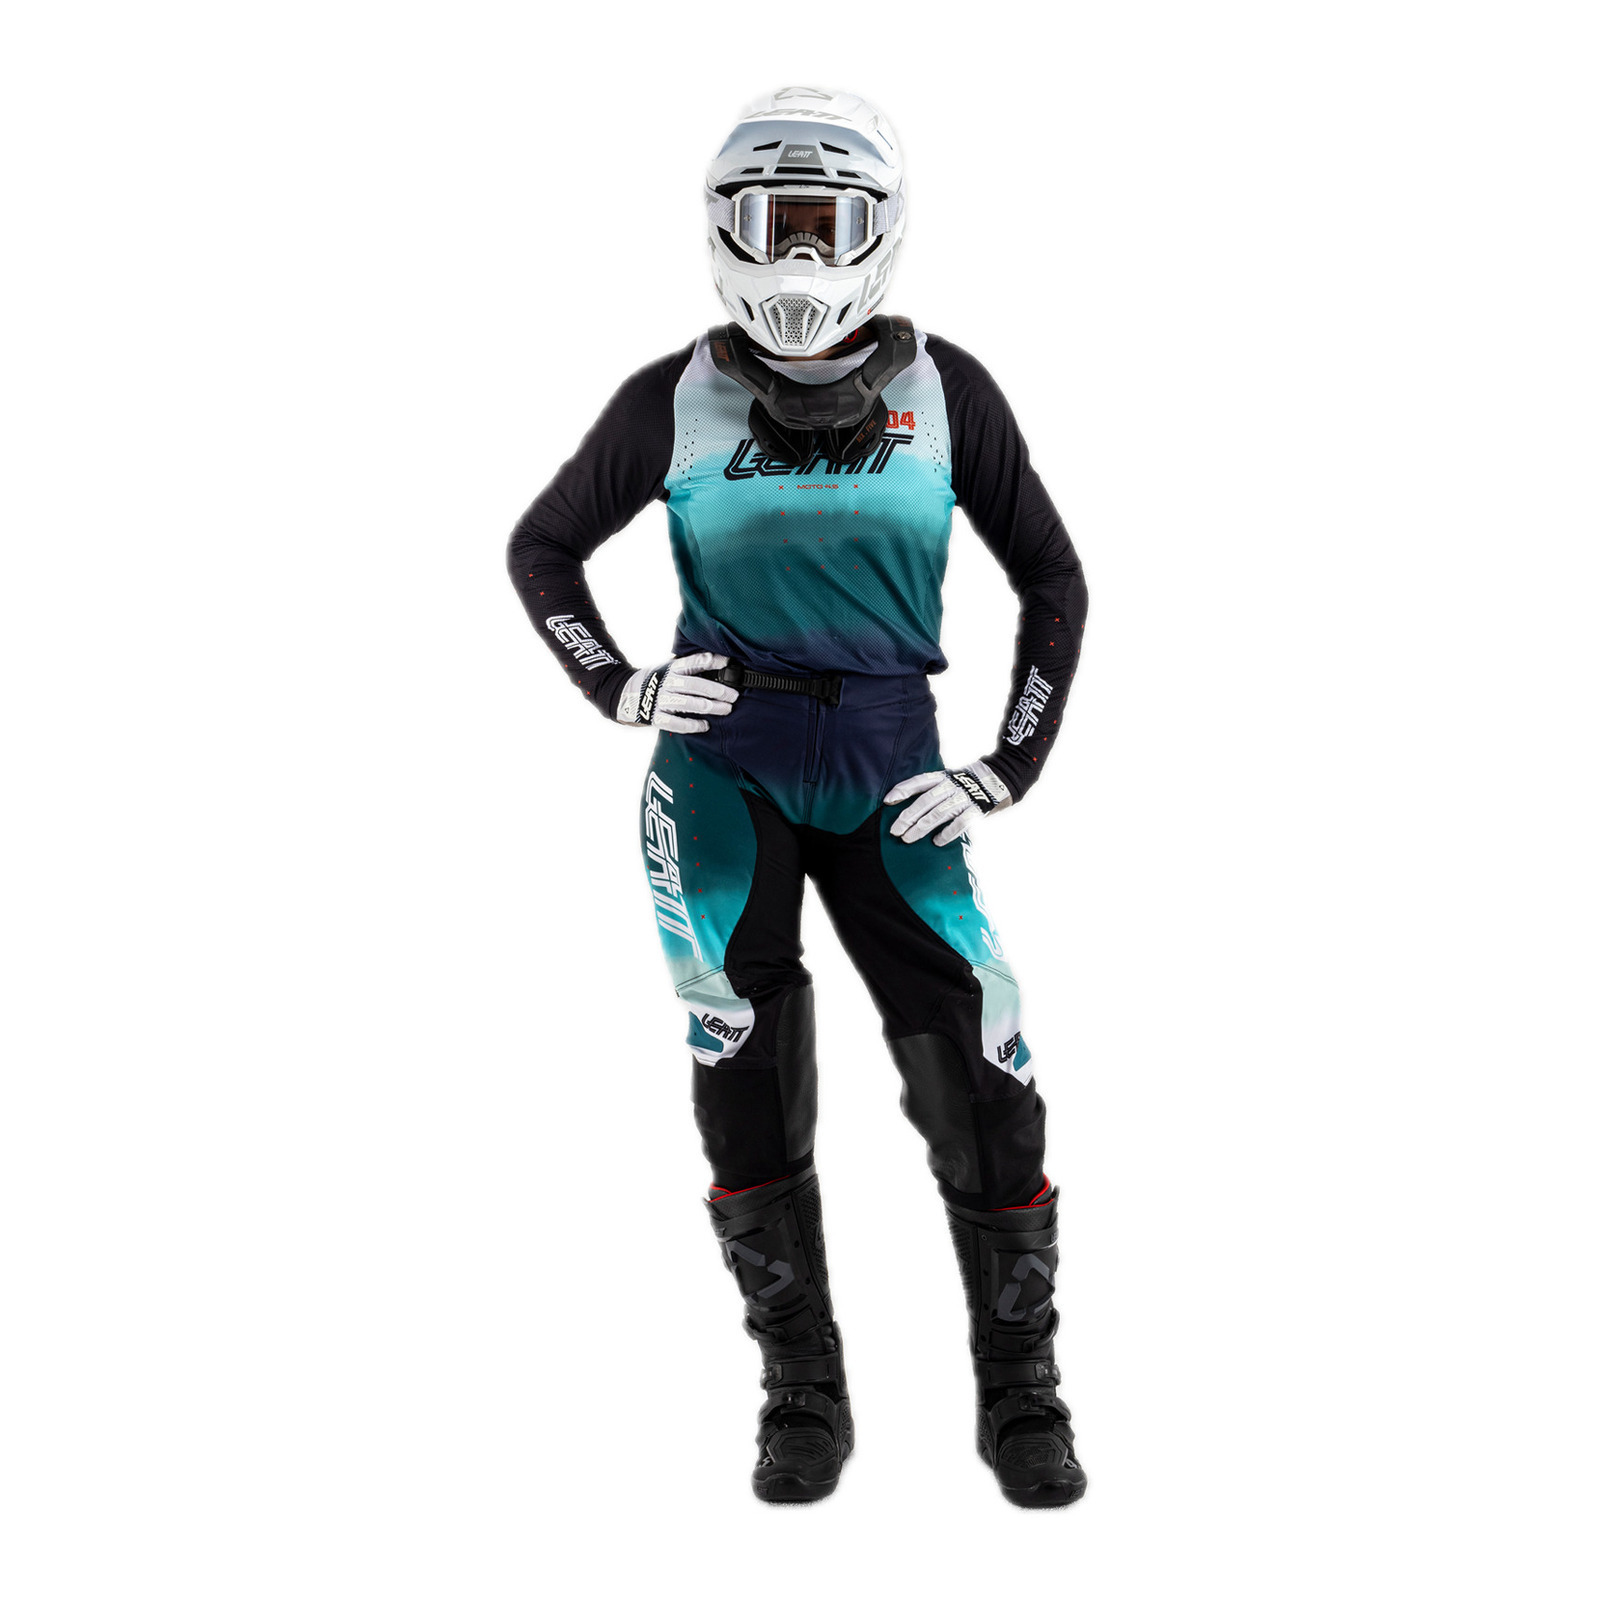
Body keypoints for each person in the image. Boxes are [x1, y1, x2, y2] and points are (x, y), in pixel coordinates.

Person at [508, 87, 1088, 1507]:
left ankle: (1023, 1396)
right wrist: (620, 688)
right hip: (725, 775)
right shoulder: (670, 399)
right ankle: (800, 1394)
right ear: (724, 227)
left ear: (882, 230)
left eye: (826, 224)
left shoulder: (950, 390)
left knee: (979, 1067)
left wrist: (1008, 765)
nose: (800, 257)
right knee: (747, 1075)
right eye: (773, 223)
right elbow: (543, 547)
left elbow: (1054, 577)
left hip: (895, 773)